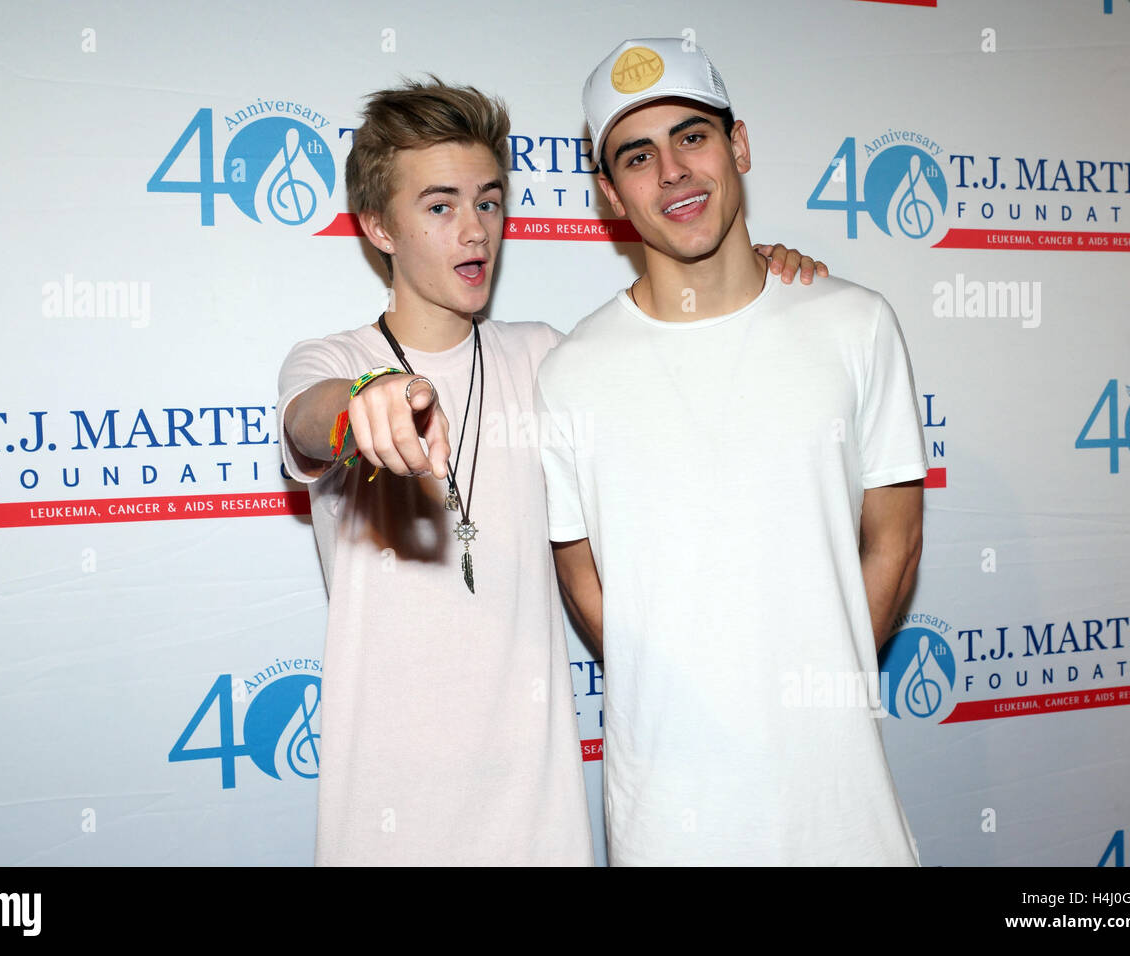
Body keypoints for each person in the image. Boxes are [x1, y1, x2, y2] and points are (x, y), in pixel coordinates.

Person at [276, 77, 827, 865]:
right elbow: (310, 415)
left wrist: (755, 277)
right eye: (439, 207)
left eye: (489, 202)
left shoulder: (545, 356)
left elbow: (674, 342)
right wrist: (362, 404)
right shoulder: (333, 360)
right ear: (377, 227)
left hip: (538, 813)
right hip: (387, 815)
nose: (474, 231)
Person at [535, 39, 928, 866]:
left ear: (738, 145)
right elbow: (582, 578)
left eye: (693, 137)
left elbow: (893, 540)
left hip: (841, 813)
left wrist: (824, 689)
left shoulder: (855, 324)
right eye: (638, 157)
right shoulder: (570, 374)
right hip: (670, 822)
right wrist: (689, 697)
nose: (673, 171)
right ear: (610, 195)